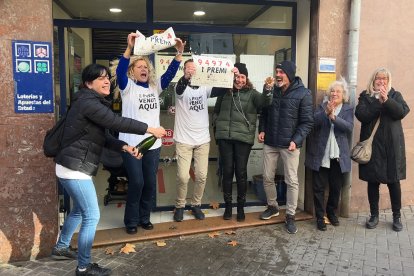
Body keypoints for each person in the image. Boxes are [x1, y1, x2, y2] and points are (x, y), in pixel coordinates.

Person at [51, 64, 165, 276]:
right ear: (88, 84)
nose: (106, 81)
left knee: (78, 210)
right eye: (100, 78)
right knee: (92, 215)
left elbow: (104, 136)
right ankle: (84, 267)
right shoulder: (88, 103)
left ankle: (61, 246)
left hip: (72, 166)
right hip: (74, 167)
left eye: (107, 78)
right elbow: (117, 122)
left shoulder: (89, 102)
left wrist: (126, 147)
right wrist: (150, 129)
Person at [112, 33, 185, 234]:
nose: (143, 69)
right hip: (131, 145)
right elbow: (119, 71)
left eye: (145, 67)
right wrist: (129, 49)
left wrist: (179, 53)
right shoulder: (127, 87)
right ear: (132, 71)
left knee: (150, 185)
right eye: (139, 67)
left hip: (153, 146)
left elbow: (170, 74)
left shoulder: (154, 87)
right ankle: (131, 221)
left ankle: (145, 218)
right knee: (137, 182)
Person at [258, 60, 313, 234]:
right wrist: (262, 130)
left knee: (291, 180)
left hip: (290, 145)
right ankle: (273, 206)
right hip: (271, 142)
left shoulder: (304, 93)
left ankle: (290, 215)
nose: (278, 75)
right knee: (267, 177)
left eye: (281, 72)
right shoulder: (271, 90)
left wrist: (296, 140)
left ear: (289, 74)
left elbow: (307, 122)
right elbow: (264, 112)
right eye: (277, 72)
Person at [213, 62, 270, 222]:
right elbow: (216, 113)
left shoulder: (252, 93)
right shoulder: (224, 92)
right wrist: (217, 133)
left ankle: (240, 208)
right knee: (227, 172)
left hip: (243, 140)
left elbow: (265, 102)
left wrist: (267, 90)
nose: (239, 80)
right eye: (237, 76)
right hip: (225, 138)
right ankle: (228, 207)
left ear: (247, 78)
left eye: (242, 77)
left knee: (241, 172)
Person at [355, 68, 410, 232]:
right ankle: (374, 215)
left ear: (388, 81)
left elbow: (401, 112)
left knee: (394, 182)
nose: (381, 81)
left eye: (384, 79)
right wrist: (378, 102)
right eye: (378, 78)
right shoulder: (365, 96)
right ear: (373, 80)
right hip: (373, 149)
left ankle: (397, 216)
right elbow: (362, 115)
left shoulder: (395, 95)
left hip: (392, 148)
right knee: (373, 181)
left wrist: (387, 100)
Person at [173, 59, 227, 222]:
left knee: (202, 176)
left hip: (203, 140)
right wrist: (186, 79)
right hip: (183, 140)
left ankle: (196, 205)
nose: (192, 71)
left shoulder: (205, 86)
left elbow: (221, 89)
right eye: (189, 69)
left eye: (194, 69)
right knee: (183, 177)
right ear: (184, 71)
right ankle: (180, 206)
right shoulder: (179, 87)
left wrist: (230, 76)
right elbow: (181, 88)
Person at [305, 79, 353, 231]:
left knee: (336, 187)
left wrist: (334, 118)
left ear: (343, 95)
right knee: (318, 187)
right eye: (332, 91)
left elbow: (349, 127)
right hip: (321, 154)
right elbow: (313, 122)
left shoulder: (347, 109)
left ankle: (331, 213)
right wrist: (326, 113)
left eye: (338, 91)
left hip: (338, 156)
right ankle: (320, 217)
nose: (334, 94)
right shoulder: (322, 106)